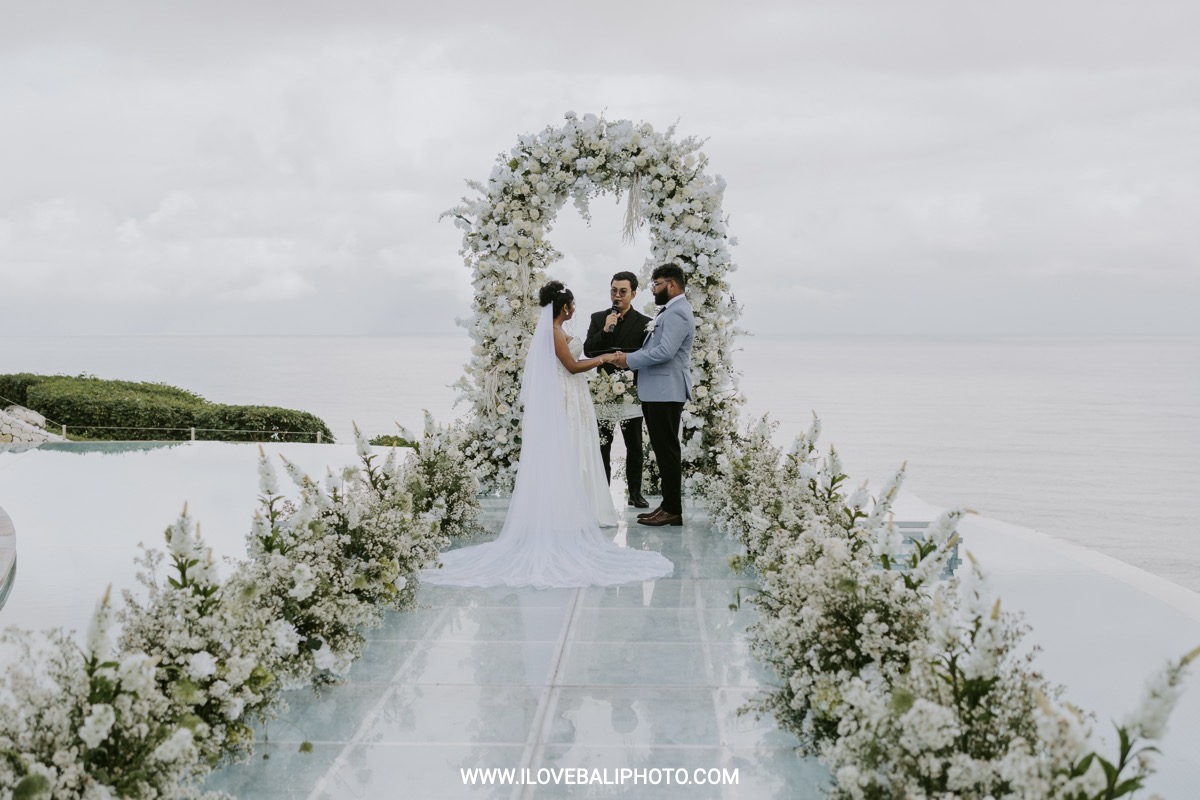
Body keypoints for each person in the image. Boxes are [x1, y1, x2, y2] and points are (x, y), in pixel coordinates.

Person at [422, 281, 674, 589]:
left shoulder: (555, 330)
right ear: (565, 308)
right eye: (572, 305)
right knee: (567, 453)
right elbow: (572, 366)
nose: (575, 309)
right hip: (566, 399)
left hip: (574, 397)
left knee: (576, 452)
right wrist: (605, 359)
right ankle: (564, 514)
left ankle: (576, 510)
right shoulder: (553, 333)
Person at [612, 264, 695, 527]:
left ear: (672, 285)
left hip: (666, 391)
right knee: (662, 450)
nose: (653, 290)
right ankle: (668, 506)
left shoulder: (678, 312)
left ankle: (673, 510)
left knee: (667, 451)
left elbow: (665, 352)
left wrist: (629, 360)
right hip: (659, 391)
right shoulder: (670, 311)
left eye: (656, 285)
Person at [583, 271, 652, 509]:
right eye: (614, 290)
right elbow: (588, 351)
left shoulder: (644, 322)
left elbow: (646, 354)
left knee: (634, 445)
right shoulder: (598, 317)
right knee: (603, 444)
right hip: (603, 390)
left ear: (633, 294)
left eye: (623, 291)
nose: (617, 296)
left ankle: (635, 493)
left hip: (631, 391)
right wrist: (605, 331)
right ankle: (603, 493)